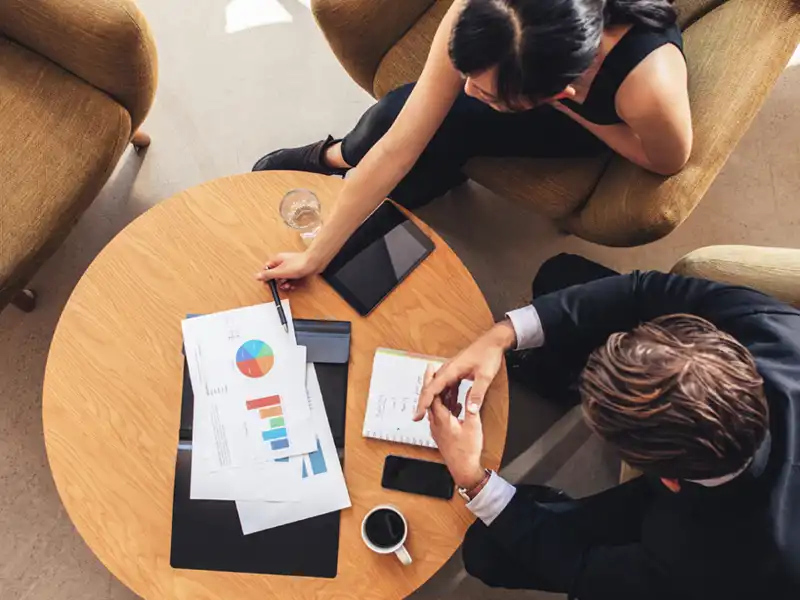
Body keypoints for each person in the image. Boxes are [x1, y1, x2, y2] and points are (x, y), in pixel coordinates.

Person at [416, 254, 800, 599]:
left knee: (487, 551)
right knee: (561, 274)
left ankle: (558, 506)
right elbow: (642, 290)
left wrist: (473, 480)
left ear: (663, 477)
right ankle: (552, 376)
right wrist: (502, 335)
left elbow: (583, 569)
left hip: (710, 530)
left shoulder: (713, 564)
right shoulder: (774, 328)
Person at [254, 0, 691, 289]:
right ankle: (336, 154)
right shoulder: (487, 12)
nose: (465, 92)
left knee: (435, 149)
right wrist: (315, 257)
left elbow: (665, 160)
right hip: (540, 82)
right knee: (395, 117)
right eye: (467, 77)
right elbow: (397, 147)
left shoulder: (649, 87)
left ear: (555, 96)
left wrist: (573, 112)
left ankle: (415, 184)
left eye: (485, 94)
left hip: (582, 120)